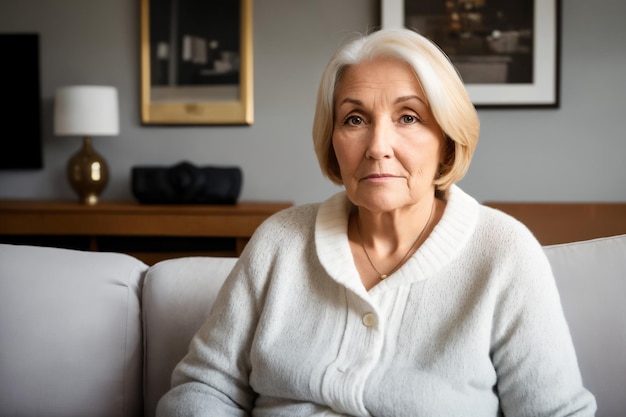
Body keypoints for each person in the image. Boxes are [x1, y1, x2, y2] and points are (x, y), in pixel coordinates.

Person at [156, 28, 596, 416]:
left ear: (446, 141)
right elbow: (202, 388)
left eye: (408, 117)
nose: (377, 146)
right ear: (333, 142)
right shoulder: (280, 241)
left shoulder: (504, 251)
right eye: (355, 119)